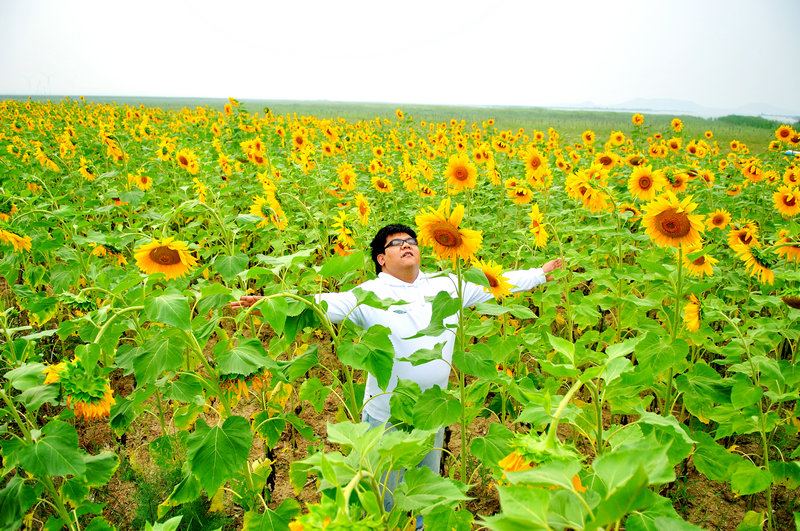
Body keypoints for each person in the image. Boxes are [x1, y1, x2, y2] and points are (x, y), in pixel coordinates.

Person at [233, 223, 563, 528]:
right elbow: (322, 303)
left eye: (411, 241)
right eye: (396, 243)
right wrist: (272, 302)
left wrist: (540, 274)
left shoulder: (448, 284)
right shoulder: (368, 294)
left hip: (431, 409)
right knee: (385, 496)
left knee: (425, 490)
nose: (407, 245)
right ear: (381, 259)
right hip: (385, 414)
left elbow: (497, 282)